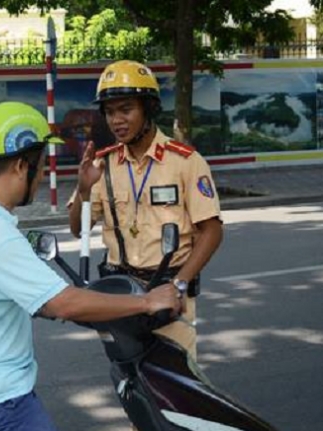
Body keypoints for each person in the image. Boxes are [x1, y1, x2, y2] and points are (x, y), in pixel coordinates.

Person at [0, 101, 183, 431]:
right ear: (22, 166)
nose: (44, 175)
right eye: (42, 166)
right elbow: (62, 302)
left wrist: (83, 189)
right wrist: (147, 301)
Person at [68, 60, 224, 359]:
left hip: (168, 296)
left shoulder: (185, 162)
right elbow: (78, 229)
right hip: (120, 297)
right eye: (110, 112)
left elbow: (212, 231)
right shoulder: (104, 164)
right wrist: (84, 189)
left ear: (148, 109)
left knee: (175, 388)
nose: (117, 120)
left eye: (126, 109)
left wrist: (179, 285)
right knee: (129, 383)